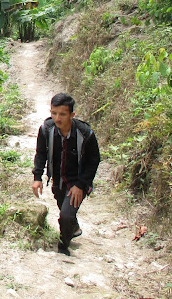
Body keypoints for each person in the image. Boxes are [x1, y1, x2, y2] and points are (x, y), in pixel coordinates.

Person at [31, 93, 101, 255]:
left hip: (77, 181)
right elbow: (40, 153)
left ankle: (63, 248)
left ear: (72, 115)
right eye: (54, 113)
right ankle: (73, 228)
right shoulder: (46, 129)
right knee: (64, 209)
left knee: (66, 216)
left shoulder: (85, 133)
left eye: (62, 114)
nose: (57, 118)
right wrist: (37, 177)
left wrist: (81, 185)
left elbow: (94, 160)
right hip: (58, 181)